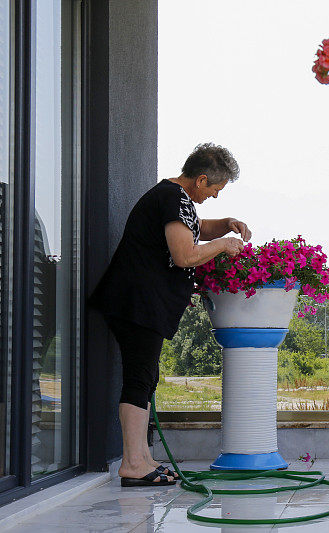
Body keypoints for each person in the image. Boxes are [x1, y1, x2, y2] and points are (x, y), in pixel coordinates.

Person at [90, 143, 249, 486]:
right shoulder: (172, 198)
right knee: (139, 378)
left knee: (146, 378)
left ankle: (142, 458)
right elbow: (184, 254)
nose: (216, 197)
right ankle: (133, 464)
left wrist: (225, 225)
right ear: (202, 179)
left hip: (141, 304)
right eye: (216, 190)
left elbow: (194, 227)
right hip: (138, 303)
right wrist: (224, 245)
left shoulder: (175, 199)